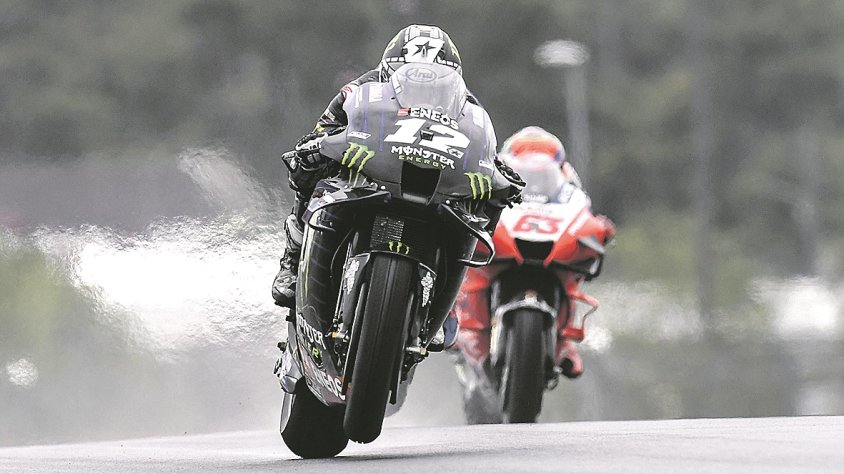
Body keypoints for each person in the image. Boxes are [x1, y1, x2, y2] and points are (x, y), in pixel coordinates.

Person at [271, 24, 524, 311]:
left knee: (482, 204)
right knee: (308, 172)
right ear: (388, 72)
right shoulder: (359, 87)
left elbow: (483, 148)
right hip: (369, 172)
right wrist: (319, 146)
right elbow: (323, 129)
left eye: (434, 83)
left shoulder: (469, 105)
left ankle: (448, 305)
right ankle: (292, 259)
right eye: (411, 77)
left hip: (437, 184)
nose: (422, 90)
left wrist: (497, 175)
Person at [452, 126, 612, 379]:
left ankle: (564, 344)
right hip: (502, 250)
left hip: (552, 251)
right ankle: (464, 328)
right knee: (470, 270)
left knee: (571, 281)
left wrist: (600, 229)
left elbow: (585, 212)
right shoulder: (496, 172)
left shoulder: (569, 183)